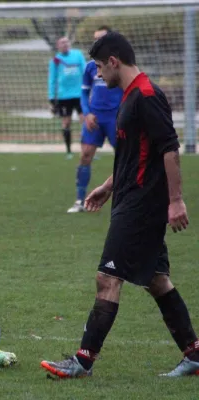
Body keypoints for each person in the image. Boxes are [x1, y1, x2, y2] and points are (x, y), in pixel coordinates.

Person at [41, 31, 199, 379]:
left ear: (114, 61)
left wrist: (175, 201)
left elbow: (169, 150)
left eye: (99, 67)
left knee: (107, 277)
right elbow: (132, 156)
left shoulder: (145, 94)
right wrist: (107, 187)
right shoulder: (129, 95)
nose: (97, 74)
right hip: (130, 197)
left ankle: (83, 361)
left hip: (143, 204)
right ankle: (195, 354)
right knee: (157, 279)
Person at [67, 26, 123, 213]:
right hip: (95, 118)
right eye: (95, 39)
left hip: (115, 118)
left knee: (125, 158)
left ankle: (124, 199)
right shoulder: (91, 67)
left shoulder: (119, 65)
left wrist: (122, 115)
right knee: (85, 155)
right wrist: (87, 113)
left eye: (101, 39)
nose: (97, 42)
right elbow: (83, 92)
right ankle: (80, 201)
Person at [47, 36, 86, 159]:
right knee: (66, 122)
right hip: (64, 97)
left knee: (85, 121)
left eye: (66, 42)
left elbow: (85, 71)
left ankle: (87, 150)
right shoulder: (55, 60)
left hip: (79, 94)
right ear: (58, 46)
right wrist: (52, 97)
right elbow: (52, 80)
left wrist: (89, 89)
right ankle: (69, 151)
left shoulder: (78, 55)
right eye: (62, 43)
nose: (65, 44)